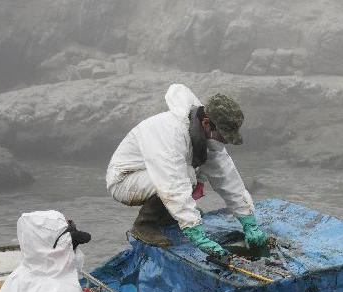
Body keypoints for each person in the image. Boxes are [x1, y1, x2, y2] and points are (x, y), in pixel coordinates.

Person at [105, 83, 266, 254]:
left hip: (153, 176)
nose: (225, 141)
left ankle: (168, 217)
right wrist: (195, 232)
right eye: (223, 136)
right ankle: (145, 225)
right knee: (187, 178)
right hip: (125, 179)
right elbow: (173, 185)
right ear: (206, 123)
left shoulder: (206, 137)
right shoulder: (171, 133)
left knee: (190, 178)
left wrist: (249, 222)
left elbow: (227, 178)